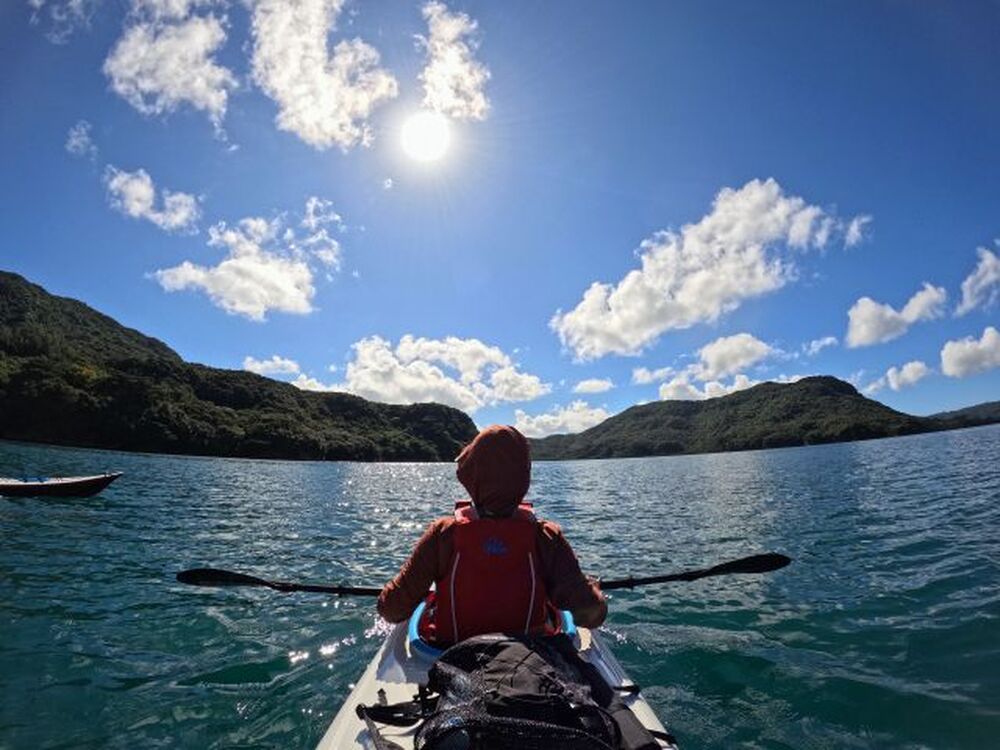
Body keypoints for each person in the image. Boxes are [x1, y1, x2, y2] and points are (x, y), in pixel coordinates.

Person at [377, 424, 607, 644]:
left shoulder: (443, 534)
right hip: (527, 658)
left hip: (452, 657)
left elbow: (392, 610)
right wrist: (593, 591)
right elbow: (590, 614)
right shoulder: (546, 536)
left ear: (470, 475)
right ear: (523, 476)